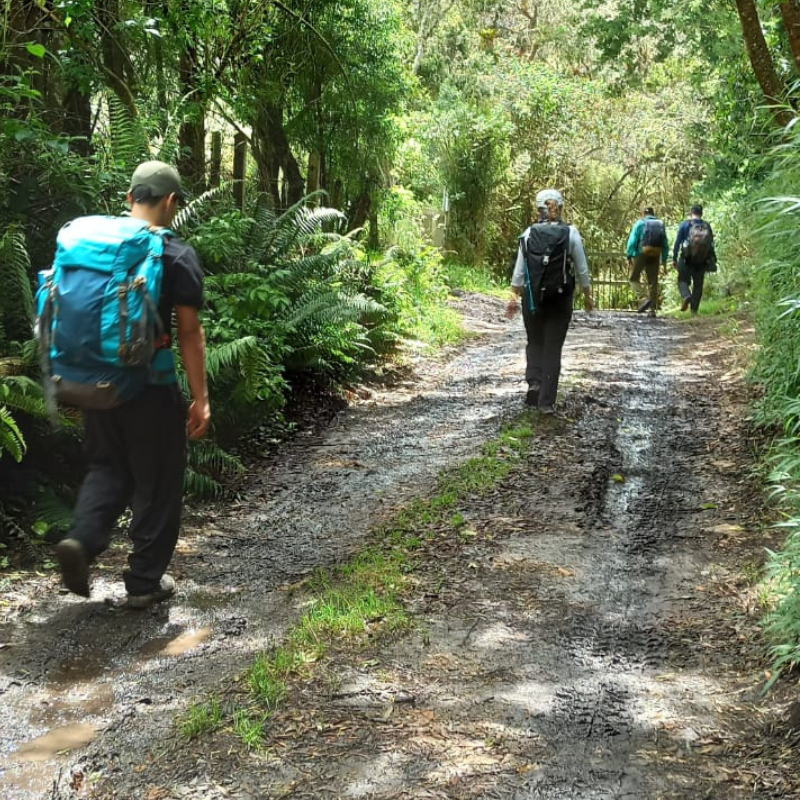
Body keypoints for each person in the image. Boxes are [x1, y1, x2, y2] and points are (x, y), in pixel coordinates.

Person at [54, 161, 211, 608]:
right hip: (149, 386)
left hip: (95, 382)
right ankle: (144, 582)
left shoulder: (92, 242)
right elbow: (188, 333)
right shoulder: (174, 254)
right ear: (171, 202)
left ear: (129, 199)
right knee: (157, 481)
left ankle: (82, 541)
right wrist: (200, 399)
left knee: (108, 469)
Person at [507, 189, 594, 413]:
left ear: (539, 210)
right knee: (553, 348)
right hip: (559, 298)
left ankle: (534, 382)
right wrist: (587, 295)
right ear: (560, 208)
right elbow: (582, 268)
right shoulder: (571, 233)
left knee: (534, 341)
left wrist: (514, 296)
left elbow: (519, 270)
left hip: (533, 298)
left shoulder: (528, 233)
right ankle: (546, 402)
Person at [673, 204, 717, 315]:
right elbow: (711, 244)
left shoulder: (685, 225)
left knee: (682, 280)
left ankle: (686, 296)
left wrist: (674, 258)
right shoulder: (706, 225)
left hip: (686, 259)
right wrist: (712, 259)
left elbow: (678, 242)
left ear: (691, 212)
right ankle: (694, 311)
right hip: (701, 261)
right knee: (698, 285)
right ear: (701, 213)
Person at [626, 206, 670, 317]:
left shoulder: (640, 223)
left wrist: (629, 255)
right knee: (653, 282)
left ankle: (643, 297)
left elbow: (632, 241)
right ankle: (652, 310)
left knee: (633, 278)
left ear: (643, 214)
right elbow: (665, 244)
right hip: (655, 254)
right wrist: (663, 261)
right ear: (653, 213)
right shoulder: (660, 224)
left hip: (641, 253)